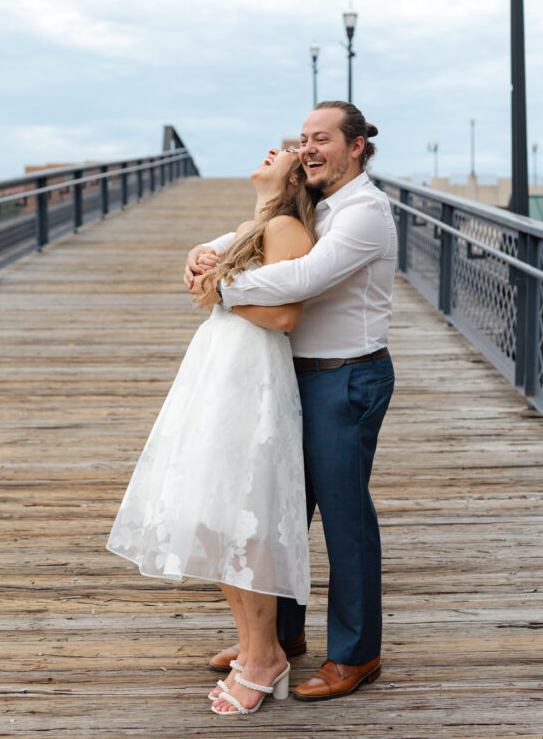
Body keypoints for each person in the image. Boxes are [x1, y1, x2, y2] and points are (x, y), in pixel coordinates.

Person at [188, 100, 397, 701]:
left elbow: (302, 279)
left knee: (344, 517)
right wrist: (203, 252)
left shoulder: (365, 213)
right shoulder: (314, 202)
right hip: (292, 377)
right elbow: (249, 234)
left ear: (356, 146)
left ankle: (357, 654)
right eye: (303, 138)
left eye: (322, 138)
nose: (308, 148)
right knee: (279, 507)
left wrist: (221, 283)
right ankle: (279, 638)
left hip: (345, 379)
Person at [107, 148, 318, 716]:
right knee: (213, 511)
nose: (273, 151)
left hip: (249, 377)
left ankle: (264, 656)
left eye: (287, 151)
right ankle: (256, 646)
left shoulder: (285, 227)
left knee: (241, 516)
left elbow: (285, 316)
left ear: (295, 177)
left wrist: (219, 292)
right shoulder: (255, 225)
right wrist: (204, 264)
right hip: (220, 370)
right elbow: (222, 278)